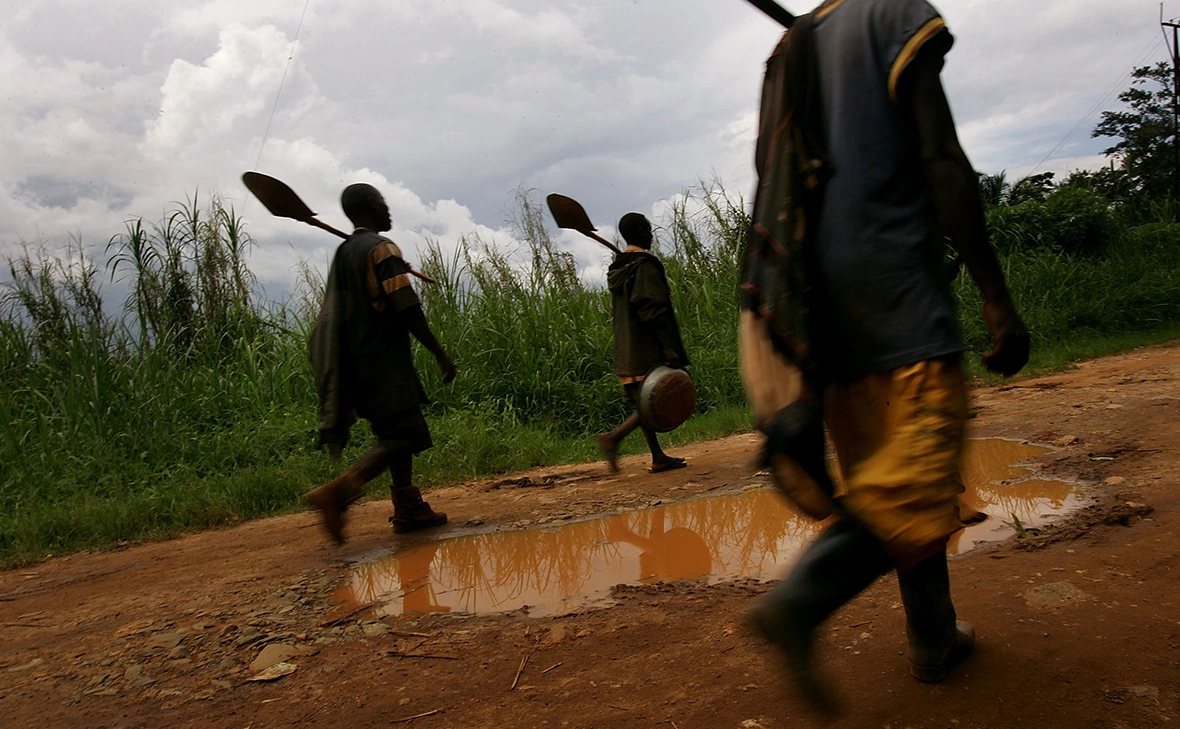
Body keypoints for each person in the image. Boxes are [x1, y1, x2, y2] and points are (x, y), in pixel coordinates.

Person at [744, 0, 1030, 715]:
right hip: (897, 289)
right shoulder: (897, 15)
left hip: (826, 314)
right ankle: (801, 602)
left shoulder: (794, 45)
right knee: (918, 481)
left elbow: (770, 171)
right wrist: (995, 293)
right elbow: (939, 157)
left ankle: (933, 634)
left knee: (884, 471)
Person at [305, 183, 457, 544]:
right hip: (382, 362)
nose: (389, 210)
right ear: (372, 206)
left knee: (395, 434)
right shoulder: (380, 248)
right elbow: (406, 305)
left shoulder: (347, 252)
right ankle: (338, 491)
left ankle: (408, 508)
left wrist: (392, 267)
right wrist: (438, 351)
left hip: (354, 364)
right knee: (405, 435)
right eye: (385, 204)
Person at [596, 213, 690, 474]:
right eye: (648, 230)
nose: (651, 235)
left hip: (628, 347)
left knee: (645, 401)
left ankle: (656, 456)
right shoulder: (643, 266)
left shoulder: (621, 267)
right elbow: (651, 308)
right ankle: (614, 438)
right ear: (638, 232)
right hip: (647, 345)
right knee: (656, 398)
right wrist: (668, 348)